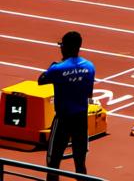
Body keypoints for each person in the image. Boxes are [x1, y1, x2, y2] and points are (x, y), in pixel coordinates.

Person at [38, 30, 96, 181]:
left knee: (53, 161)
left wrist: (55, 65)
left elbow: (41, 80)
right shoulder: (90, 67)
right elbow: (89, 94)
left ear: (66, 47)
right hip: (81, 120)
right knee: (80, 163)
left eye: (62, 45)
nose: (60, 48)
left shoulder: (57, 69)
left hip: (63, 119)